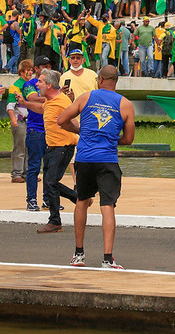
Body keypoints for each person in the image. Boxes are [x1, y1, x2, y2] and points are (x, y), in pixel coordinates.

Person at [58, 65, 135, 269]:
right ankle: (107, 258)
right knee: (107, 206)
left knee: (82, 201)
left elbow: (62, 120)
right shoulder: (125, 104)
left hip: (84, 158)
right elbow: (129, 139)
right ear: (116, 81)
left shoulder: (86, 98)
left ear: (100, 79)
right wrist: (110, 139)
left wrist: (81, 130)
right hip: (107, 159)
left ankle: (78, 254)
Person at [35, 70, 79, 234]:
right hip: (52, 147)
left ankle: (56, 220)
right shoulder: (49, 101)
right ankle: (74, 202)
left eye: (40, 81)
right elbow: (40, 108)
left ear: (49, 85)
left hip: (63, 147)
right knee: (49, 182)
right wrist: (24, 103)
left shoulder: (62, 101)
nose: (37, 84)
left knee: (51, 182)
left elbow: (73, 120)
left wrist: (81, 133)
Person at [19, 56, 52, 211]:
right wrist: (51, 97)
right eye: (42, 66)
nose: (46, 68)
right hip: (36, 130)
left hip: (51, 130)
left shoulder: (52, 85)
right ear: (36, 69)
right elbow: (32, 98)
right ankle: (31, 199)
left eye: (48, 66)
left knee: (50, 168)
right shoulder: (29, 84)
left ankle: (48, 199)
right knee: (34, 167)